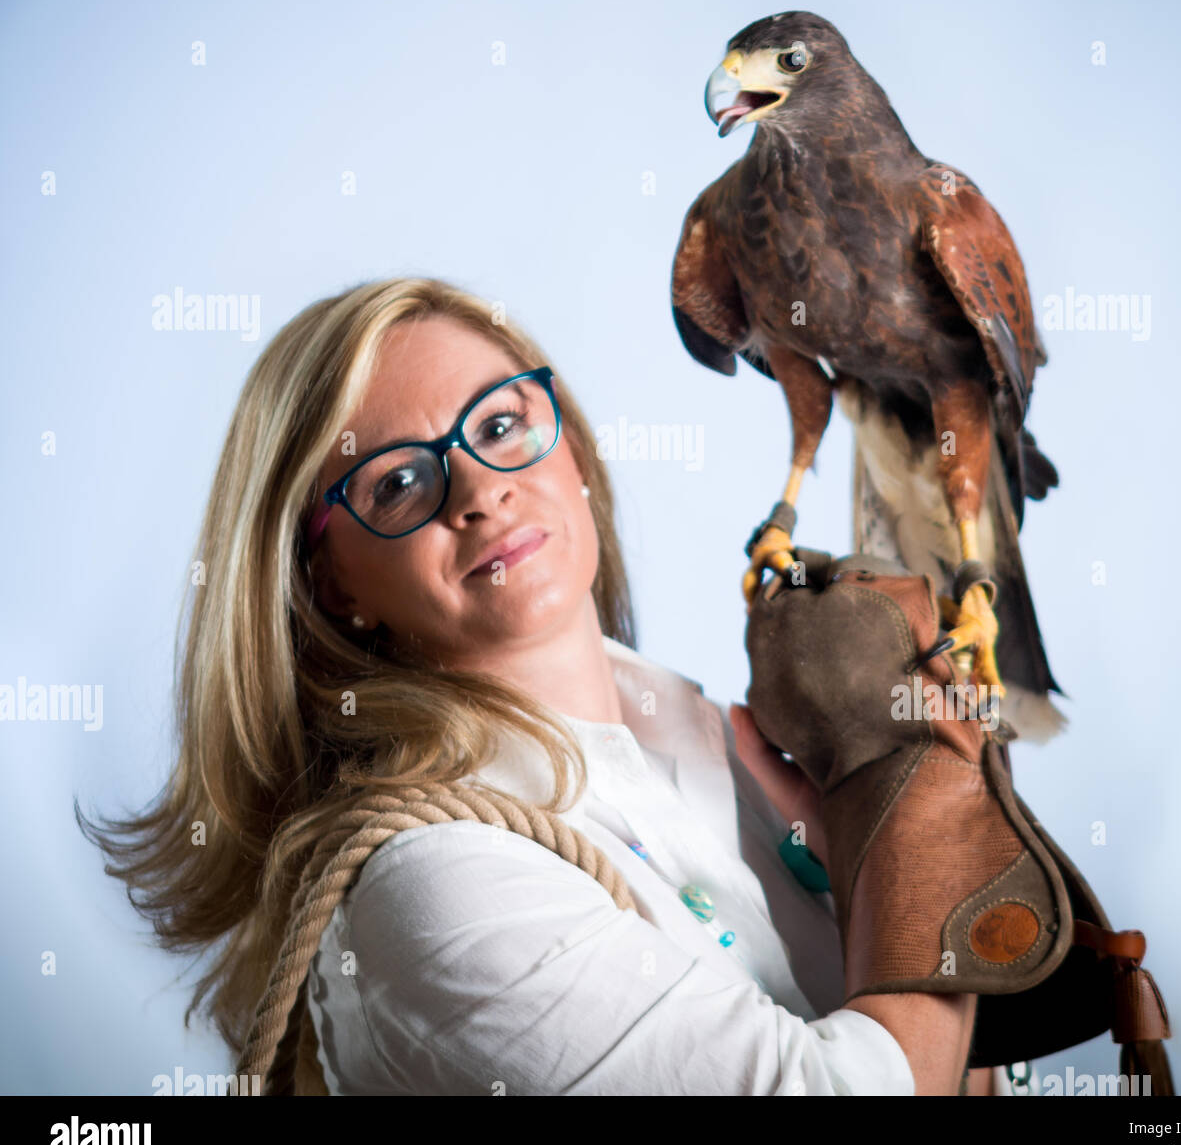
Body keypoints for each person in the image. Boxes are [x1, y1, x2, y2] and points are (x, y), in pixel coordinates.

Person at [84, 276, 1030, 1096]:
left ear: (566, 445)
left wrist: (864, 831)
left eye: (500, 425)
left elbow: (968, 1070)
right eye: (397, 484)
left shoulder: (713, 739)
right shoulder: (431, 887)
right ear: (331, 584)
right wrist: (910, 785)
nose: (479, 492)